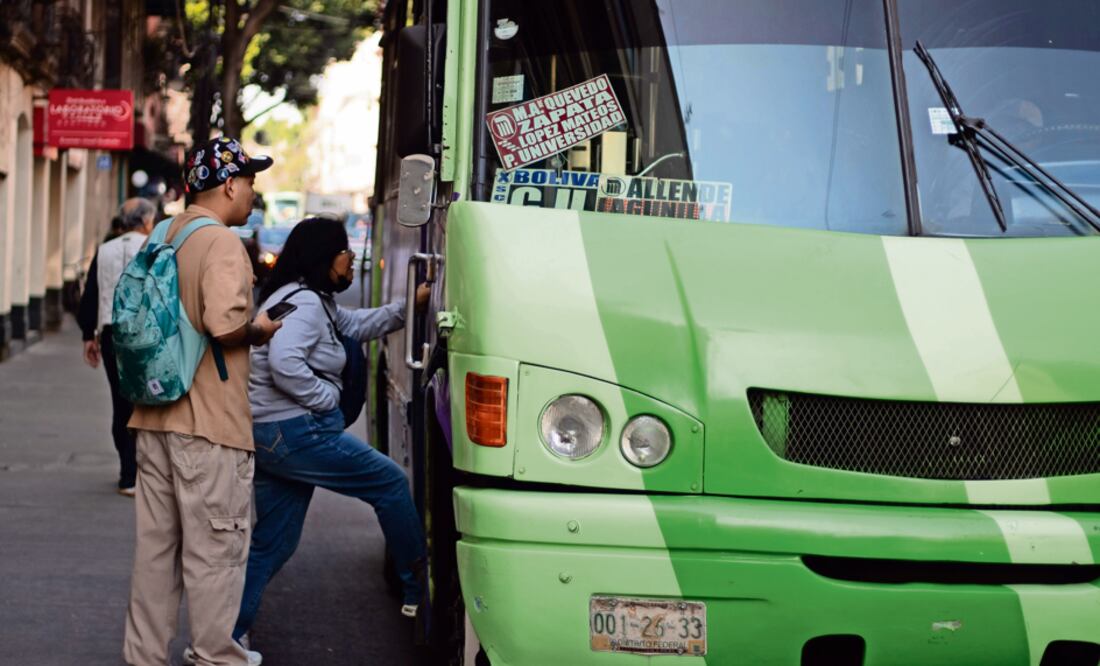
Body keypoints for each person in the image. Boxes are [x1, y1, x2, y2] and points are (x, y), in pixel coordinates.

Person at [232, 217, 429, 646]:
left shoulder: (307, 299)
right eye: (344, 251)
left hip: (272, 434)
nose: (350, 259)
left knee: (274, 543)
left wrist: (406, 307)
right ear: (325, 256)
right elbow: (285, 363)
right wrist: (326, 401)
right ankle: (418, 588)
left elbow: (355, 326)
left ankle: (227, 634)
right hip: (295, 432)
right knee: (391, 483)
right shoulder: (303, 304)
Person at [123, 137, 279, 666]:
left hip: (153, 417)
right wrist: (257, 331)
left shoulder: (165, 232)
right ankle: (215, 656)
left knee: (155, 553)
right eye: (251, 182)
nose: (254, 192)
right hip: (208, 426)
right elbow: (222, 323)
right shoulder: (222, 244)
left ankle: (144, 656)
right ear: (230, 184)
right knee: (216, 553)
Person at [79, 199, 157, 496]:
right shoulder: (154, 246)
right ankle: (143, 472)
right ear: (147, 220)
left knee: (120, 401)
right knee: (146, 402)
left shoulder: (106, 249)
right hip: (145, 333)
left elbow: (91, 293)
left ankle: (128, 475)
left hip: (112, 333)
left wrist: (90, 335)